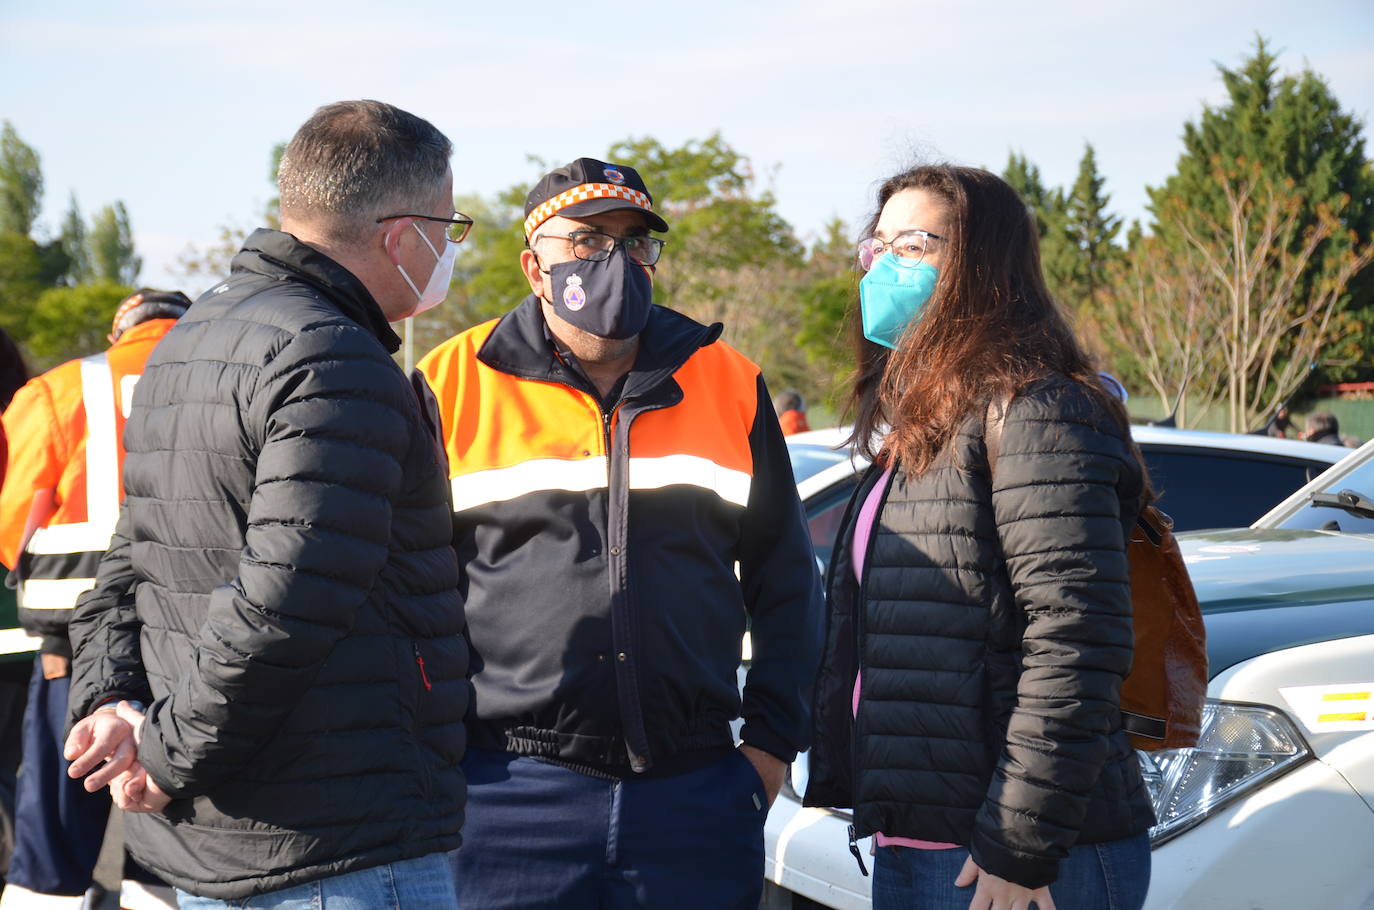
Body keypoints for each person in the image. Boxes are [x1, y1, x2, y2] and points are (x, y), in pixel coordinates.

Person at [62, 100, 470, 908]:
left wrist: (114, 704)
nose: (450, 251)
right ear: (400, 236)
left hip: (224, 839)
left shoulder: (190, 340)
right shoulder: (334, 357)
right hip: (334, 845)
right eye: (448, 228)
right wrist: (166, 757)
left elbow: (126, 564)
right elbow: (287, 602)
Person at [417, 157, 823, 909]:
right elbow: (403, 591)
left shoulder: (726, 378)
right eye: (588, 240)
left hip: (694, 800)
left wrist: (768, 751)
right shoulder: (450, 383)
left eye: (635, 242)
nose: (617, 261)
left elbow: (788, 579)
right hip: (503, 796)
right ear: (534, 266)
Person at [804, 164, 1155, 910]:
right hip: (924, 841)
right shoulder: (925, 427)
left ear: (984, 267)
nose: (885, 265)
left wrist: (1018, 846)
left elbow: (1076, 637)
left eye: (916, 244)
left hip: (1014, 859)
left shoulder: (1036, 409)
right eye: (878, 246)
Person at [0, 290, 190, 910]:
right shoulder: (228, 379)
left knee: (52, 840)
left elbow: (10, 525)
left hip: (70, 652)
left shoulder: (58, 390)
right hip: (185, 645)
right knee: (168, 838)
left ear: (119, 331)